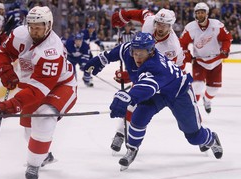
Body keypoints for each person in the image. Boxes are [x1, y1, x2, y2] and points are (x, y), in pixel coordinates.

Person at [84, 32, 223, 171]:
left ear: (151, 52)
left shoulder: (156, 67)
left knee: (194, 136)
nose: (137, 57)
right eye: (135, 52)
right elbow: (116, 52)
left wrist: (128, 97)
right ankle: (132, 149)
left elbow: (146, 87)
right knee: (138, 117)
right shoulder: (128, 50)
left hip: (178, 93)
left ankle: (211, 138)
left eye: (141, 53)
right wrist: (100, 60)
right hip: (157, 93)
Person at [0, 6, 77, 179]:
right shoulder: (20, 34)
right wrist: (6, 71)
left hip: (62, 86)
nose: (34, 30)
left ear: (48, 25)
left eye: (38, 26)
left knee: (43, 117)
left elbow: (38, 91)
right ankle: (44, 155)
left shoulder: (51, 51)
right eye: (31, 25)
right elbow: (2, 53)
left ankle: (33, 164)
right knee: (29, 128)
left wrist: (12, 105)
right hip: (33, 84)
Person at [110, 8, 185, 152]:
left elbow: (159, 73)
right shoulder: (150, 22)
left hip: (169, 76)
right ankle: (120, 133)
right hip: (149, 69)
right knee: (132, 101)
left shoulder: (171, 48)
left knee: (141, 102)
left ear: (171, 26)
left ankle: (199, 134)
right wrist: (123, 16)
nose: (160, 27)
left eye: (164, 25)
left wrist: (128, 75)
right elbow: (141, 13)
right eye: (158, 23)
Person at [179, 2, 232, 114]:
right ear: (195, 14)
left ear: (207, 13)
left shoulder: (217, 25)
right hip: (199, 61)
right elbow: (182, 44)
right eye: (198, 13)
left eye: (202, 12)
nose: (200, 15)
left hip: (216, 62)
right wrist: (188, 56)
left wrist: (225, 49)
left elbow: (227, 39)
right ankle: (193, 108)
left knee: (213, 90)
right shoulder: (190, 27)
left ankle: (207, 100)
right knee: (197, 86)